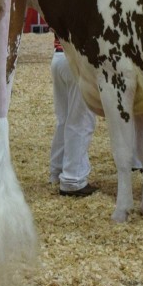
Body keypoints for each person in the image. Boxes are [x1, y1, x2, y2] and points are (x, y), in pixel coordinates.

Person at [50, 36, 98, 196]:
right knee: (81, 120)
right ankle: (73, 179)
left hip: (58, 56)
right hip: (76, 58)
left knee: (64, 120)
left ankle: (57, 171)